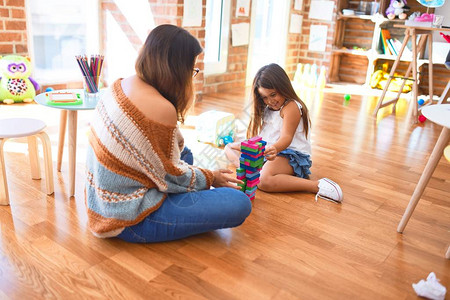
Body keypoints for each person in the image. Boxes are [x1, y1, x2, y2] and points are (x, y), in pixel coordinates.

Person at [85, 24, 252, 243]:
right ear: (176, 69)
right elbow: (171, 175)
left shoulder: (121, 84)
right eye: (191, 70)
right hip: (128, 217)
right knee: (238, 203)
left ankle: (185, 192)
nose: (191, 77)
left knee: (187, 154)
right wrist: (212, 177)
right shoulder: (161, 108)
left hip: (104, 200)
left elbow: (166, 156)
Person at [225, 63, 343, 203]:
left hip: (291, 154)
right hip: (269, 152)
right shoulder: (268, 108)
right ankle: (250, 171)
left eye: (273, 94)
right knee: (229, 149)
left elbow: (286, 137)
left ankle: (316, 186)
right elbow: (265, 136)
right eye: (264, 97)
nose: (270, 101)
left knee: (264, 181)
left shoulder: (290, 106)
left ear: (283, 87)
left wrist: (275, 148)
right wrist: (246, 145)